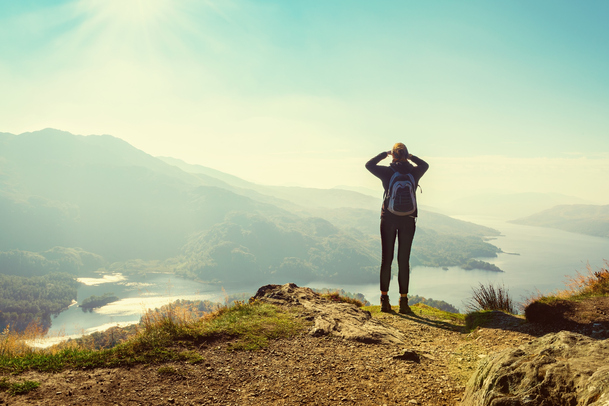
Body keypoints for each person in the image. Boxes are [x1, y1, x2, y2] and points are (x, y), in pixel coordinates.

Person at [365, 143, 429, 313]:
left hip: (388, 219)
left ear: (393, 155)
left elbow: (368, 165)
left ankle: (384, 300)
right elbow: (425, 165)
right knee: (404, 261)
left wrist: (383, 154)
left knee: (387, 260)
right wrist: (411, 158)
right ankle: (403, 302)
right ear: (406, 155)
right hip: (408, 220)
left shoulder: (387, 172)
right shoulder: (414, 172)